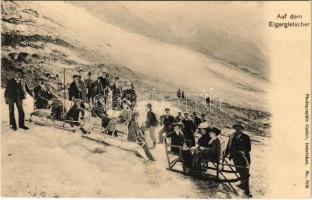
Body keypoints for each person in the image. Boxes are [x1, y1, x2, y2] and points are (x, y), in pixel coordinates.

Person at [223, 123, 252, 197]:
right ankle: (242, 184)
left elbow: (248, 148)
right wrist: (226, 154)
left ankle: (247, 191)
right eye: (236, 128)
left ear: (242, 129)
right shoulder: (232, 136)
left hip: (244, 158)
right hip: (235, 158)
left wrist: (243, 151)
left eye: (239, 128)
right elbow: (228, 146)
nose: (237, 129)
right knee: (239, 171)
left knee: (245, 173)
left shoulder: (246, 137)